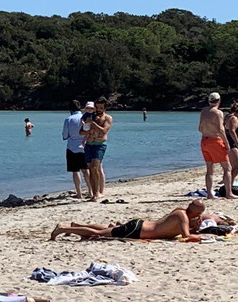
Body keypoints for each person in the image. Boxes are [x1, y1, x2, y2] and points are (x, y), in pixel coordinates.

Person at [50, 200, 206, 241]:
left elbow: (174, 231)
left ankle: (77, 226)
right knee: (100, 234)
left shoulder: (181, 213)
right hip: (137, 230)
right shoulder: (182, 217)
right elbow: (185, 236)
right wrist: (201, 237)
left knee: (106, 229)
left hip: (140, 226)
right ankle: (63, 229)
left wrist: (195, 227)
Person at [199, 93, 235, 200]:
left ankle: (209, 194)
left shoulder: (204, 111)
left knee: (209, 169)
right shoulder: (218, 113)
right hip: (215, 140)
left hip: (204, 140)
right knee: (227, 168)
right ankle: (229, 193)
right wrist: (226, 143)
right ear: (219, 101)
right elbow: (220, 130)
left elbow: (200, 128)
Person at [83, 97, 112, 201]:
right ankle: (94, 193)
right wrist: (87, 130)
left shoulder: (107, 118)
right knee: (90, 169)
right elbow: (81, 131)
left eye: (101, 108)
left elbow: (103, 131)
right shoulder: (90, 116)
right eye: (97, 107)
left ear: (105, 108)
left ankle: (98, 192)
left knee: (95, 167)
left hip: (100, 144)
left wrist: (93, 124)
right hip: (89, 144)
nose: (99, 110)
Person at [62, 101, 91, 200]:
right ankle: (90, 191)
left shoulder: (69, 119)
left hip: (72, 147)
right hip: (85, 146)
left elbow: (65, 135)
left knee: (75, 171)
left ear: (70, 109)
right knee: (86, 170)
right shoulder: (86, 118)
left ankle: (79, 193)